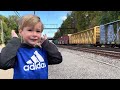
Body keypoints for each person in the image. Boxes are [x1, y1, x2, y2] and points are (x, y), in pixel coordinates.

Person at [0, 14, 62, 79]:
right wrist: (15, 41)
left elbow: (57, 59)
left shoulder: (42, 50)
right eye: (30, 30)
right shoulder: (17, 51)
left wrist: (46, 43)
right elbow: (2, 63)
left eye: (38, 31)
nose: (34, 34)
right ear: (21, 32)